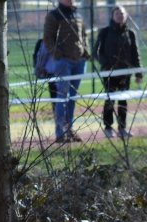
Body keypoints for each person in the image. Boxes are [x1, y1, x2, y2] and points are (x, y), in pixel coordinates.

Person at [42, 0, 89, 143]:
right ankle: (60, 132)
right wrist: (57, 53)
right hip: (63, 62)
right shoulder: (54, 15)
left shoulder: (78, 15)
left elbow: (84, 34)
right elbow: (47, 38)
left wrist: (85, 51)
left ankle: (70, 130)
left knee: (72, 98)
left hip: (79, 61)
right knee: (62, 97)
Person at [93, 6, 142, 138]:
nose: (119, 15)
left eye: (122, 13)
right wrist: (107, 63)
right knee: (110, 99)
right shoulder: (105, 32)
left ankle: (122, 128)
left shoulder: (130, 33)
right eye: (117, 13)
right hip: (109, 73)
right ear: (112, 16)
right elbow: (96, 52)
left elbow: (135, 54)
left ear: (125, 16)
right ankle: (108, 128)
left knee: (123, 101)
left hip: (125, 73)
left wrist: (138, 73)